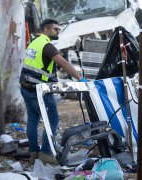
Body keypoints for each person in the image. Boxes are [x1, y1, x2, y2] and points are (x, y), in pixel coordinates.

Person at [20, 19, 88, 165]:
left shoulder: (34, 42)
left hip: (26, 87)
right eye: (55, 29)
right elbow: (63, 62)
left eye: (59, 28)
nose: (58, 31)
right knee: (52, 120)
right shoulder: (47, 45)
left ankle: (33, 153)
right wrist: (80, 79)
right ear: (45, 29)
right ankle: (45, 153)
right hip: (40, 90)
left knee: (33, 119)